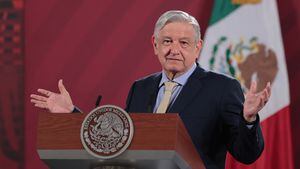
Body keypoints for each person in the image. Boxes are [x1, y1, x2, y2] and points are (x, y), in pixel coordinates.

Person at [30, 10, 270, 169]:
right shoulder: (141, 88)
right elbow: (119, 143)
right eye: (167, 41)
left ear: (197, 48)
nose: (173, 49)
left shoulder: (222, 88)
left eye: (183, 43)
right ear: (154, 45)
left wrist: (248, 119)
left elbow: (247, 154)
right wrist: (73, 114)